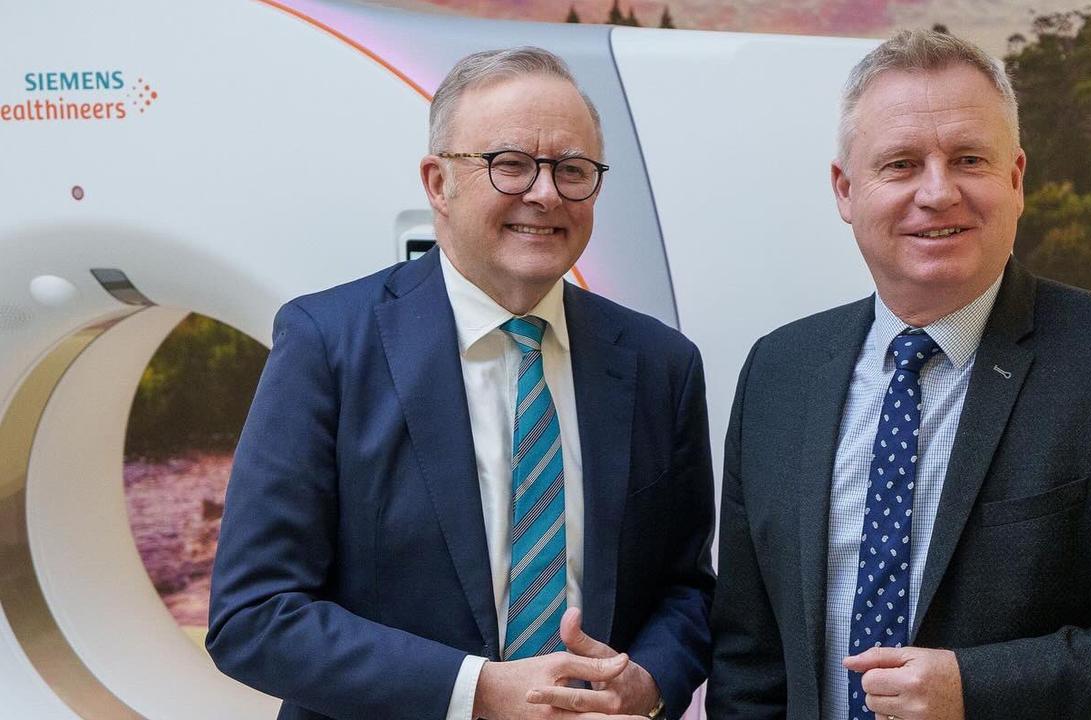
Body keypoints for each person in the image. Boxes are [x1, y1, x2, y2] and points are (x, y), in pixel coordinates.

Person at [707, 29, 1091, 720]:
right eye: (902, 164)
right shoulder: (779, 372)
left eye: (969, 159)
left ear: (1015, 179)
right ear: (846, 190)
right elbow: (748, 653)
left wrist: (979, 687)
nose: (938, 192)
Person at [207, 47, 714, 720]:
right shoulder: (327, 344)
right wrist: (476, 692)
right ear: (438, 182)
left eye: (572, 170)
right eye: (509, 164)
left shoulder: (660, 364)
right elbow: (253, 615)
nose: (545, 193)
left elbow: (686, 591)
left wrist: (646, 684)